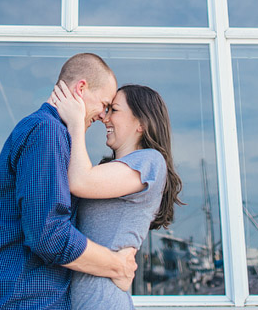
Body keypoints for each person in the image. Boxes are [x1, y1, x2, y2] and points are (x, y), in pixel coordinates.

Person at [0, 53, 138, 310]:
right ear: (81, 88)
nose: (104, 116)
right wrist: (117, 265)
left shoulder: (53, 132)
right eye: (104, 104)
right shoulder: (47, 131)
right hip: (20, 302)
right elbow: (49, 235)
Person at [50, 81, 183, 310]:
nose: (105, 117)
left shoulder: (150, 161)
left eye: (114, 110)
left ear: (141, 122)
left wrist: (76, 122)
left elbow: (80, 181)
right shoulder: (113, 169)